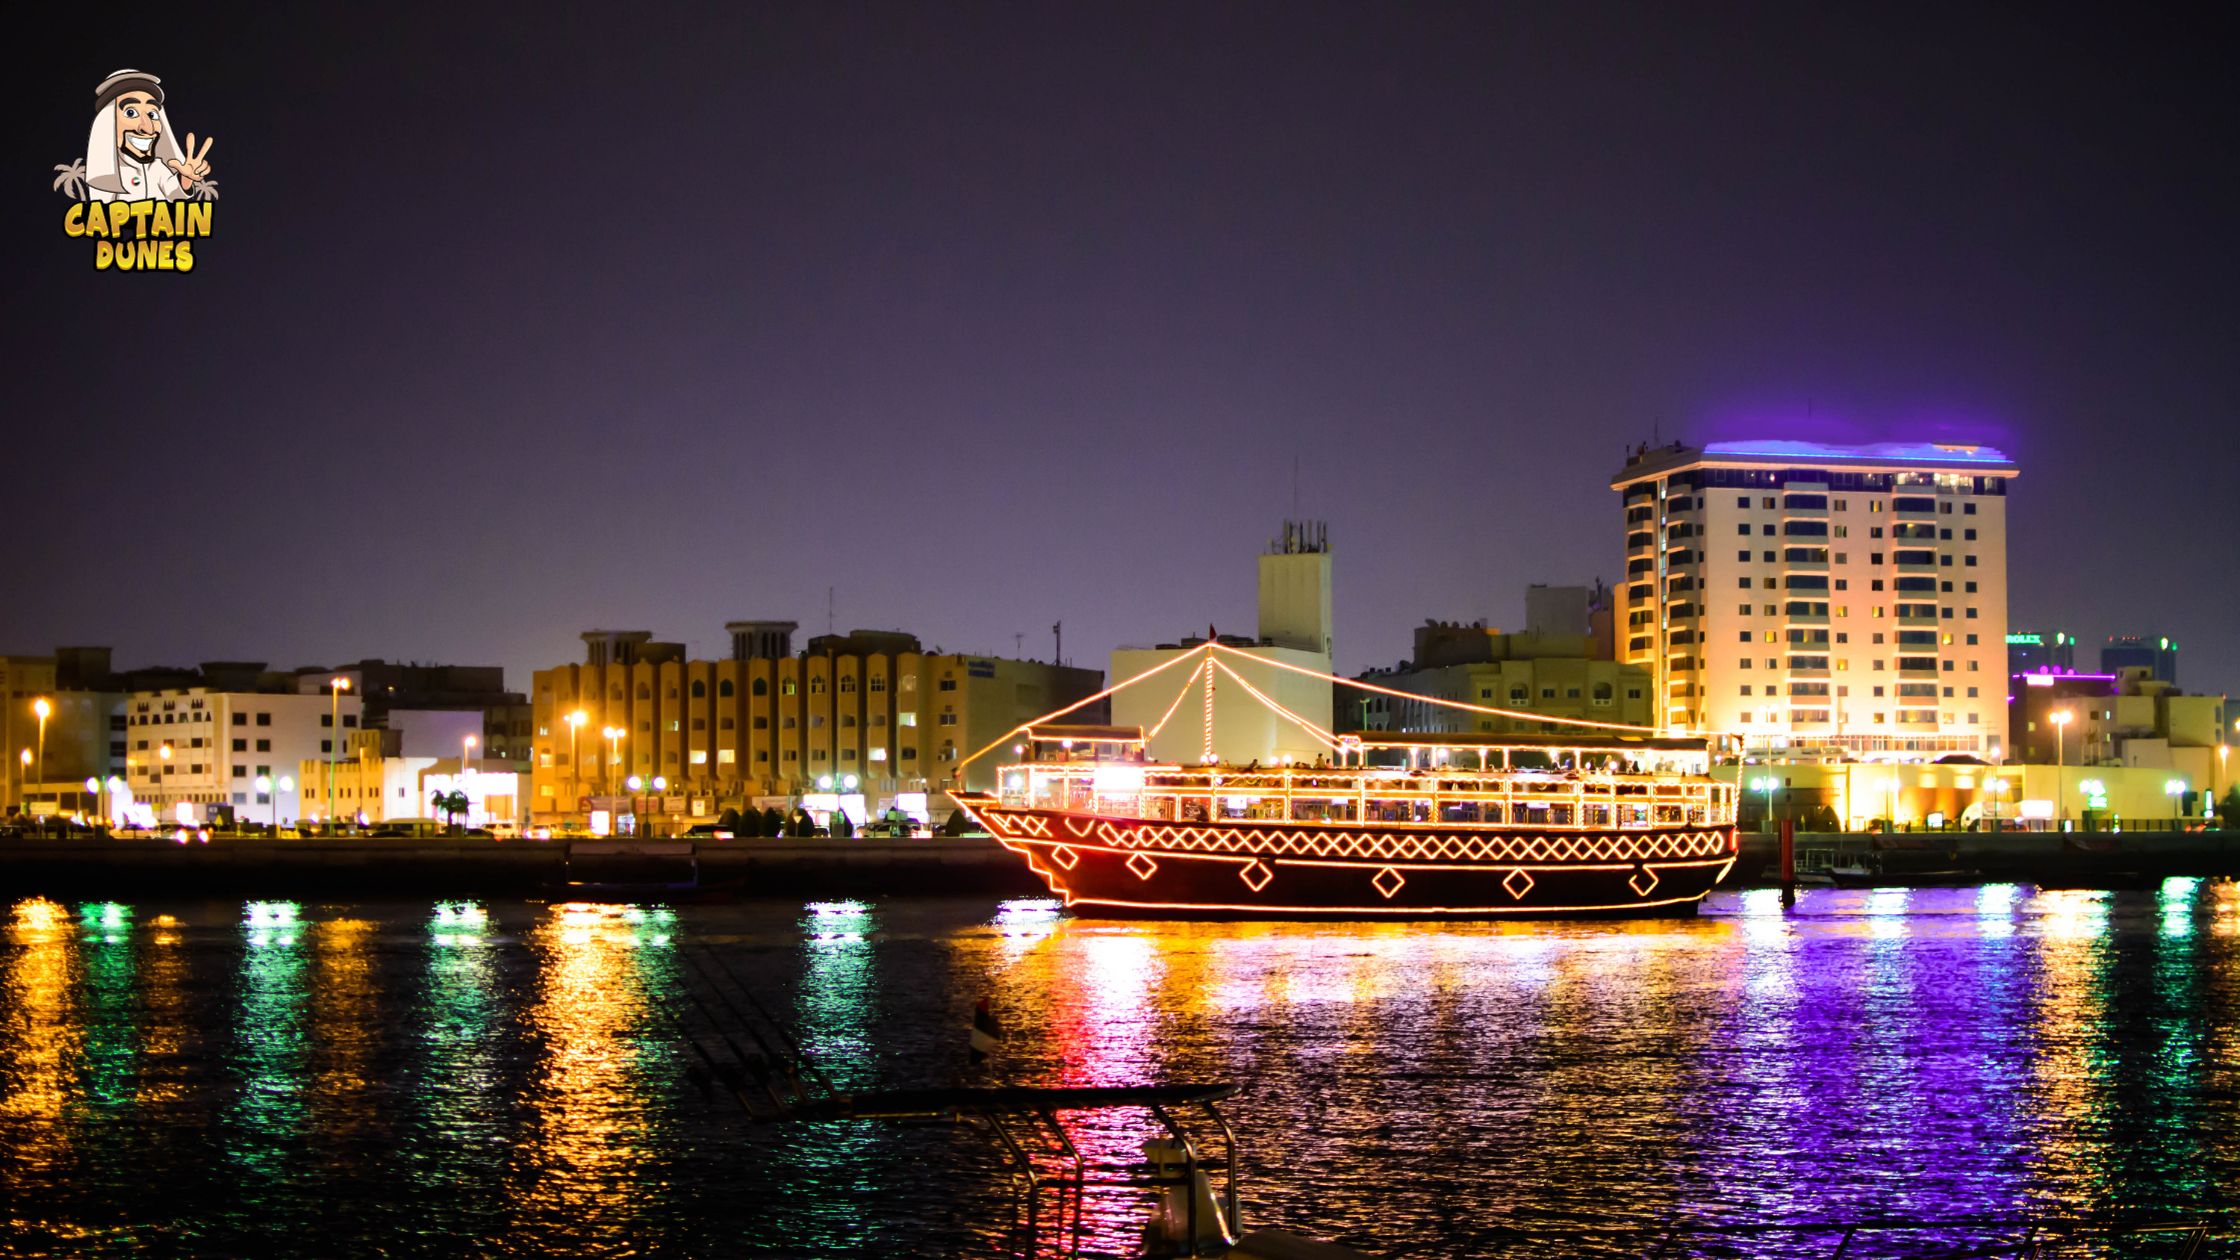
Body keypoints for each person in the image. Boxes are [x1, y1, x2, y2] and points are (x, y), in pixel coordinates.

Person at [76, 70, 214, 202]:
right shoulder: (107, 175)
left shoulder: (157, 167)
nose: (148, 128)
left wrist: (186, 178)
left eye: (152, 114)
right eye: (131, 113)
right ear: (108, 123)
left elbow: (174, 193)